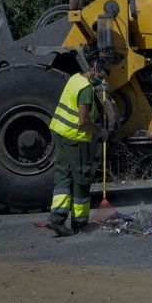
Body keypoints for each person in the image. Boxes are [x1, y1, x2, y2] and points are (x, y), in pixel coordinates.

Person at [45, 55, 110, 236]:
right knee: (81, 179)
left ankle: (56, 219)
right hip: (76, 138)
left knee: (63, 177)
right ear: (93, 69)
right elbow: (83, 121)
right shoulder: (86, 90)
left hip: (60, 133)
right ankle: (80, 224)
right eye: (101, 77)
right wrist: (99, 131)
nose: (101, 80)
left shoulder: (74, 79)